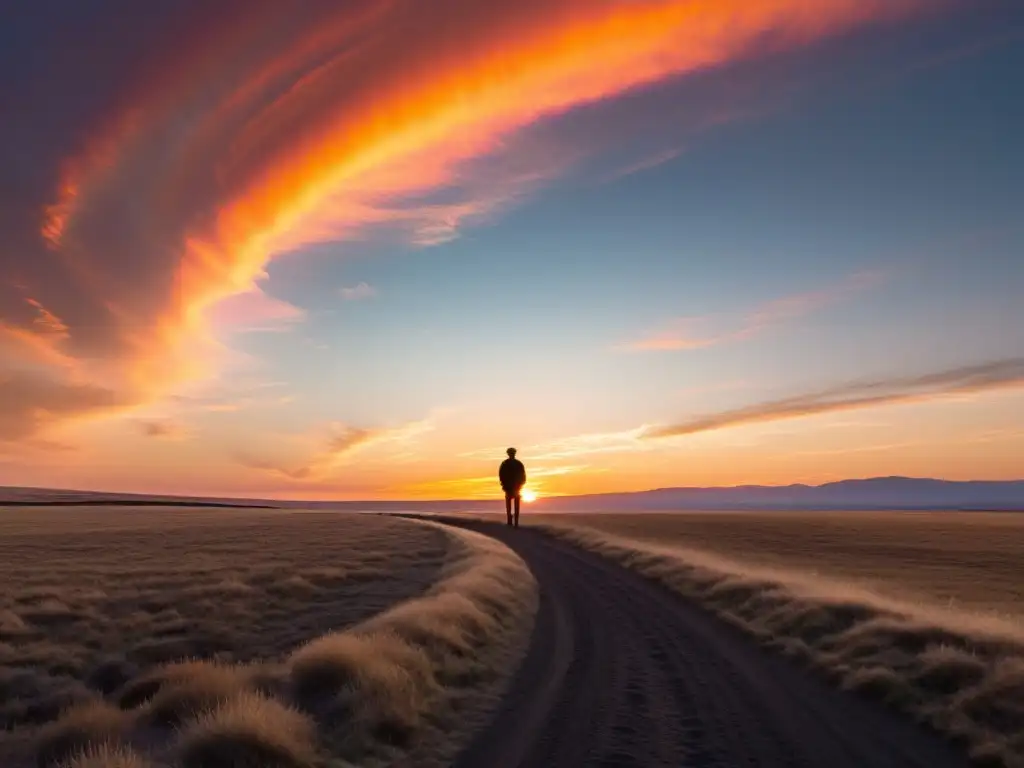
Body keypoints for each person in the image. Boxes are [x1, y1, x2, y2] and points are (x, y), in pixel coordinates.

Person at [498, 447, 526, 528]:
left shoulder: (507, 463)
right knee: (512, 506)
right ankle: (512, 521)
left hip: (513, 487)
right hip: (511, 487)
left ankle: (513, 522)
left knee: (512, 506)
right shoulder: (516, 463)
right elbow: (501, 475)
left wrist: (520, 484)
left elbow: (501, 475)